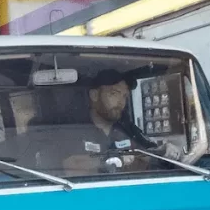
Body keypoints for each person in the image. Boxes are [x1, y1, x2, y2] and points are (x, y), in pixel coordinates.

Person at [55, 69, 183, 176]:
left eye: (124, 96)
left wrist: (163, 152)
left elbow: (148, 153)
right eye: (114, 94)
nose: (121, 102)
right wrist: (112, 160)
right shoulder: (73, 129)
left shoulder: (128, 129)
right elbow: (70, 166)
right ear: (94, 95)